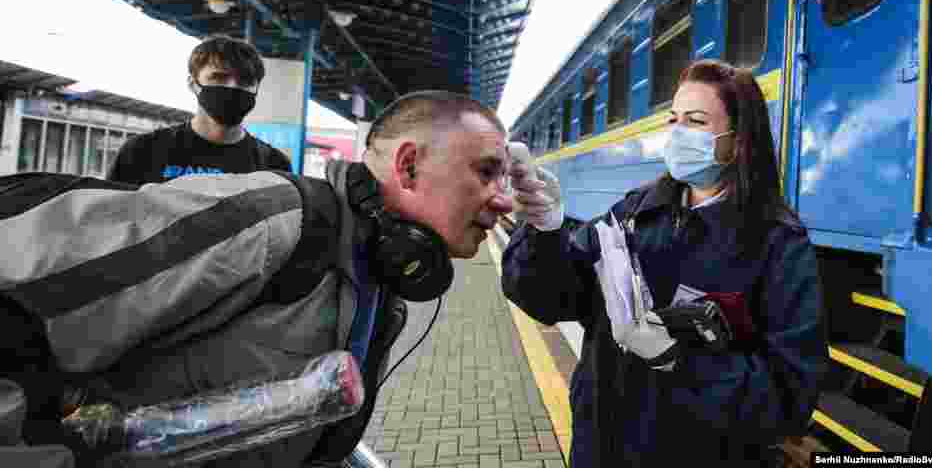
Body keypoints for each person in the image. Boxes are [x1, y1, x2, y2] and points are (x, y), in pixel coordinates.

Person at [0, 90, 515, 467]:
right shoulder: (278, 220)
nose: (505, 198)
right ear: (408, 166)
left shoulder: (377, 279)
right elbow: (24, 287)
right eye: (487, 172)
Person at [502, 59, 828, 467]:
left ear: (739, 140)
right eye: (673, 118)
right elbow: (551, 301)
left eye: (694, 121)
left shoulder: (777, 242)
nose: (676, 133)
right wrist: (543, 230)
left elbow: (789, 400)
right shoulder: (636, 211)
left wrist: (680, 361)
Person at [106, 34, 292, 185]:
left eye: (245, 81)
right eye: (219, 77)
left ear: (257, 89)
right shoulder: (142, 153)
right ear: (193, 84)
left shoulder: (275, 166)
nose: (232, 87)